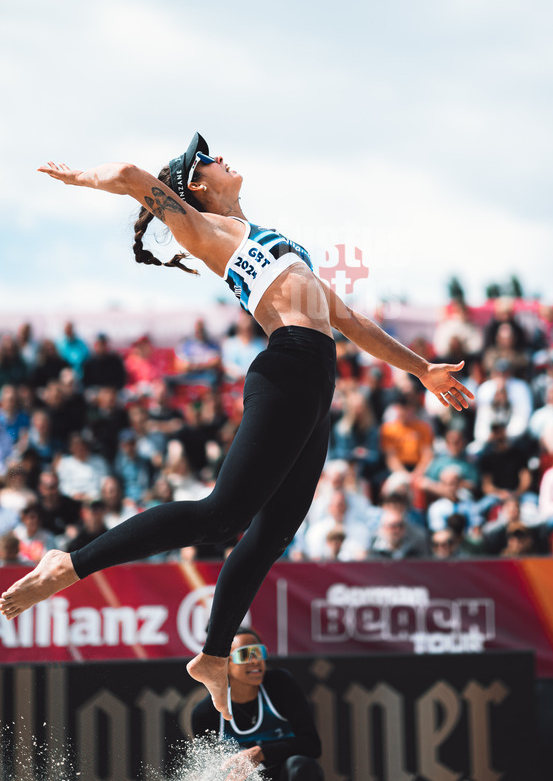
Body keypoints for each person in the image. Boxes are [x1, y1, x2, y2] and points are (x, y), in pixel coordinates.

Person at [1, 133, 473, 719]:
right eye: (209, 158)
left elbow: (348, 318)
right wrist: (77, 179)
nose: (222, 157)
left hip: (315, 381)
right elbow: (127, 172)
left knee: (272, 535)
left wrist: (423, 368)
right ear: (196, 186)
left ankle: (214, 655)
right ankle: (69, 565)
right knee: (223, 513)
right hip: (289, 367)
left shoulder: (276, 240)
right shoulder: (208, 232)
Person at [192, 629, 323, 780]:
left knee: (301, 765)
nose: (255, 660)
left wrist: (262, 753)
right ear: (225, 665)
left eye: (259, 652)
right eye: (244, 654)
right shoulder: (205, 713)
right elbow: (211, 770)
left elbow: (312, 744)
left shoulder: (280, 685)